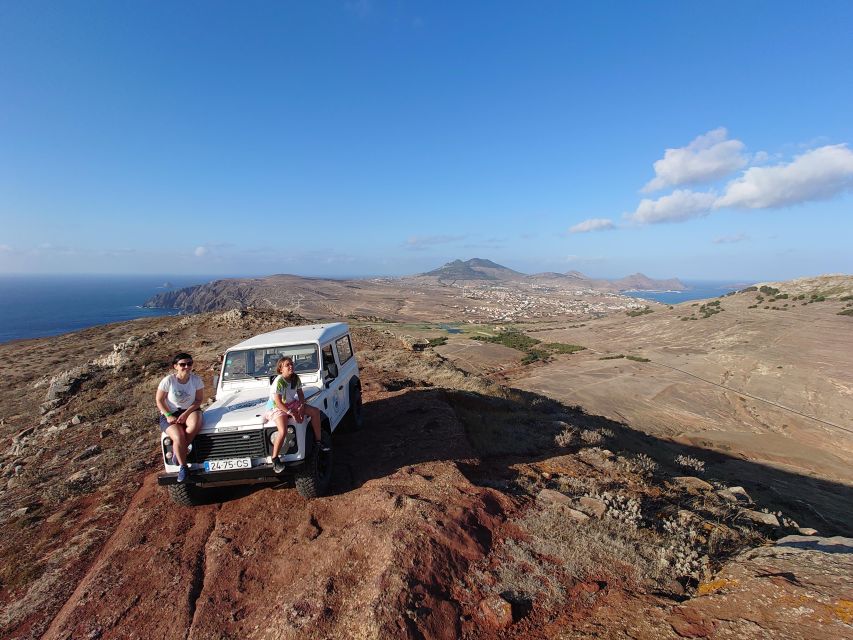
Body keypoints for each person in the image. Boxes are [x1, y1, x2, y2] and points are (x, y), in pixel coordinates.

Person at [265, 356, 327, 473]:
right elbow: (277, 402)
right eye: (287, 365)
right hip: (277, 407)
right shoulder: (279, 382)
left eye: (291, 364)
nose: (291, 366)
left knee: (315, 412)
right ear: (281, 369)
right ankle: (275, 459)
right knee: (282, 430)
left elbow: (300, 393)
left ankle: (319, 442)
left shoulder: (295, 378)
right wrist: (291, 413)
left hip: (290, 403)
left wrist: (302, 406)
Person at [155, 352, 204, 484]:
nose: (186, 367)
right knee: (178, 436)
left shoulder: (196, 380)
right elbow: (159, 400)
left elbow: (199, 400)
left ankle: (179, 452)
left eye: (189, 364)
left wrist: (186, 413)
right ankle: (183, 466)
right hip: (170, 414)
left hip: (190, 410)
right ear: (175, 366)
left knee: (194, 425)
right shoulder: (168, 381)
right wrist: (168, 415)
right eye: (182, 364)